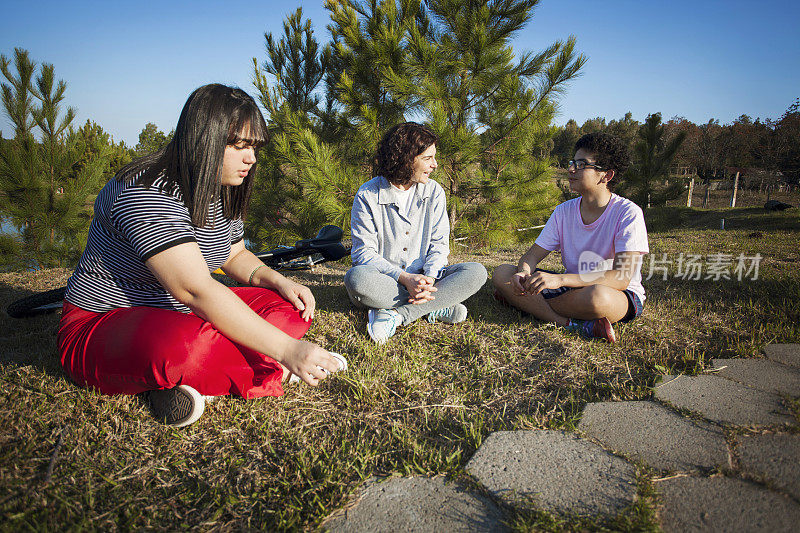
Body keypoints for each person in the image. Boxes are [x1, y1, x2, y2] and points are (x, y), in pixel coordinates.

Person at [57, 84, 345, 427]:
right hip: (108, 321)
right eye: (239, 145)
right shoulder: (145, 191)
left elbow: (234, 254)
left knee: (290, 309)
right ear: (204, 139)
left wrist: (279, 280)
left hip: (187, 314)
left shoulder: (220, 187)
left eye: (254, 147)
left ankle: (191, 380)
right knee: (188, 349)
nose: (251, 158)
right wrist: (286, 350)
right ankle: (268, 370)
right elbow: (194, 290)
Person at [492, 132, 648, 343]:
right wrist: (523, 273)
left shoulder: (628, 213)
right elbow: (532, 256)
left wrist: (559, 280)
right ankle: (569, 324)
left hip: (614, 293)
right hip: (571, 288)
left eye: (582, 164)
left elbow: (621, 278)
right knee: (502, 272)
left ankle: (520, 303)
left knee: (597, 298)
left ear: (606, 175)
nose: (571, 169)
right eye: (573, 162)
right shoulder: (564, 211)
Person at [344, 122, 487, 344]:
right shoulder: (368, 194)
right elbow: (363, 253)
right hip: (386, 281)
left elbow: (439, 245)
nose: (435, 165)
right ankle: (434, 306)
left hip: (426, 280)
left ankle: (400, 314)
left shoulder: (435, 192)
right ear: (407, 158)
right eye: (428, 158)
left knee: (476, 272)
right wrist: (405, 278)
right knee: (357, 279)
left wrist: (428, 278)